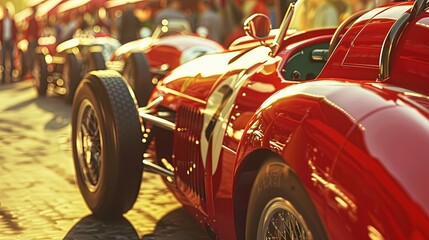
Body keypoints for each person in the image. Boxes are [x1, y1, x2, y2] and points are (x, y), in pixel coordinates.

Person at [0, 4, 17, 83]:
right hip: (4, 41)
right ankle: (3, 77)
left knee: (11, 59)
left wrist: (13, 40)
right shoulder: (1, 21)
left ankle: (10, 77)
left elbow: (15, 31)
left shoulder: (12, 21)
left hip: (10, 41)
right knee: (3, 59)